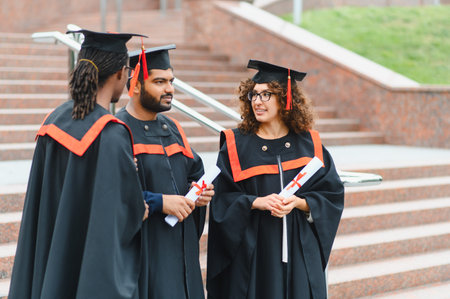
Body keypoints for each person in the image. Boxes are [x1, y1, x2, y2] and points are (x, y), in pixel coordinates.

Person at [8, 29, 149, 299]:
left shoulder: (52, 121)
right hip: (84, 262)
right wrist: (138, 208)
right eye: (129, 71)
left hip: (51, 253)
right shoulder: (110, 134)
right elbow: (117, 215)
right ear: (120, 72)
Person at [207, 60, 344, 299]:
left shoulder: (309, 144)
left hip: (299, 252)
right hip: (255, 255)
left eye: (266, 94)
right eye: (254, 95)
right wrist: (254, 202)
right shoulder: (235, 144)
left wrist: (299, 203)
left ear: (285, 98)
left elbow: (331, 194)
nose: (257, 102)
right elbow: (222, 200)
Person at [115, 44, 214, 299]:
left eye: (171, 81)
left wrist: (199, 192)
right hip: (144, 256)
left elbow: (195, 172)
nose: (169, 89)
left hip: (182, 254)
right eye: (160, 81)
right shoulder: (116, 131)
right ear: (135, 84)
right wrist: (159, 202)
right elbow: (110, 193)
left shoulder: (174, 128)